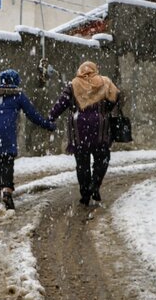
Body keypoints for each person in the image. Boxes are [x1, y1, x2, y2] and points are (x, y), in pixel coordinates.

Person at [0, 69, 55, 210]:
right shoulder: (18, 96)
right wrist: (47, 125)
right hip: (6, 131)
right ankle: (6, 192)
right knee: (7, 160)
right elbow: (32, 114)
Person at [48, 61, 119, 206]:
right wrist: (104, 110)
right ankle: (95, 185)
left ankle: (85, 193)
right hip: (100, 129)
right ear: (95, 70)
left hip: (79, 131)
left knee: (82, 164)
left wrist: (51, 117)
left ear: (80, 71)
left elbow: (61, 103)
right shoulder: (105, 82)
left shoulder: (73, 84)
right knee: (102, 158)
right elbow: (115, 97)